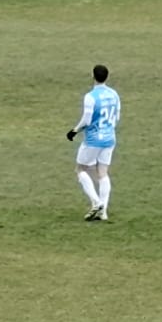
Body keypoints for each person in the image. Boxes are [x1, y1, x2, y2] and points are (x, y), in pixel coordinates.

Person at [67, 64, 120, 222]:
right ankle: (103, 212)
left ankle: (97, 202)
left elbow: (87, 120)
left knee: (80, 169)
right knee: (102, 172)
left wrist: (75, 130)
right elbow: (116, 117)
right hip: (110, 138)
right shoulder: (114, 94)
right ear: (107, 77)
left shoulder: (90, 97)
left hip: (93, 139)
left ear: (93, 76)